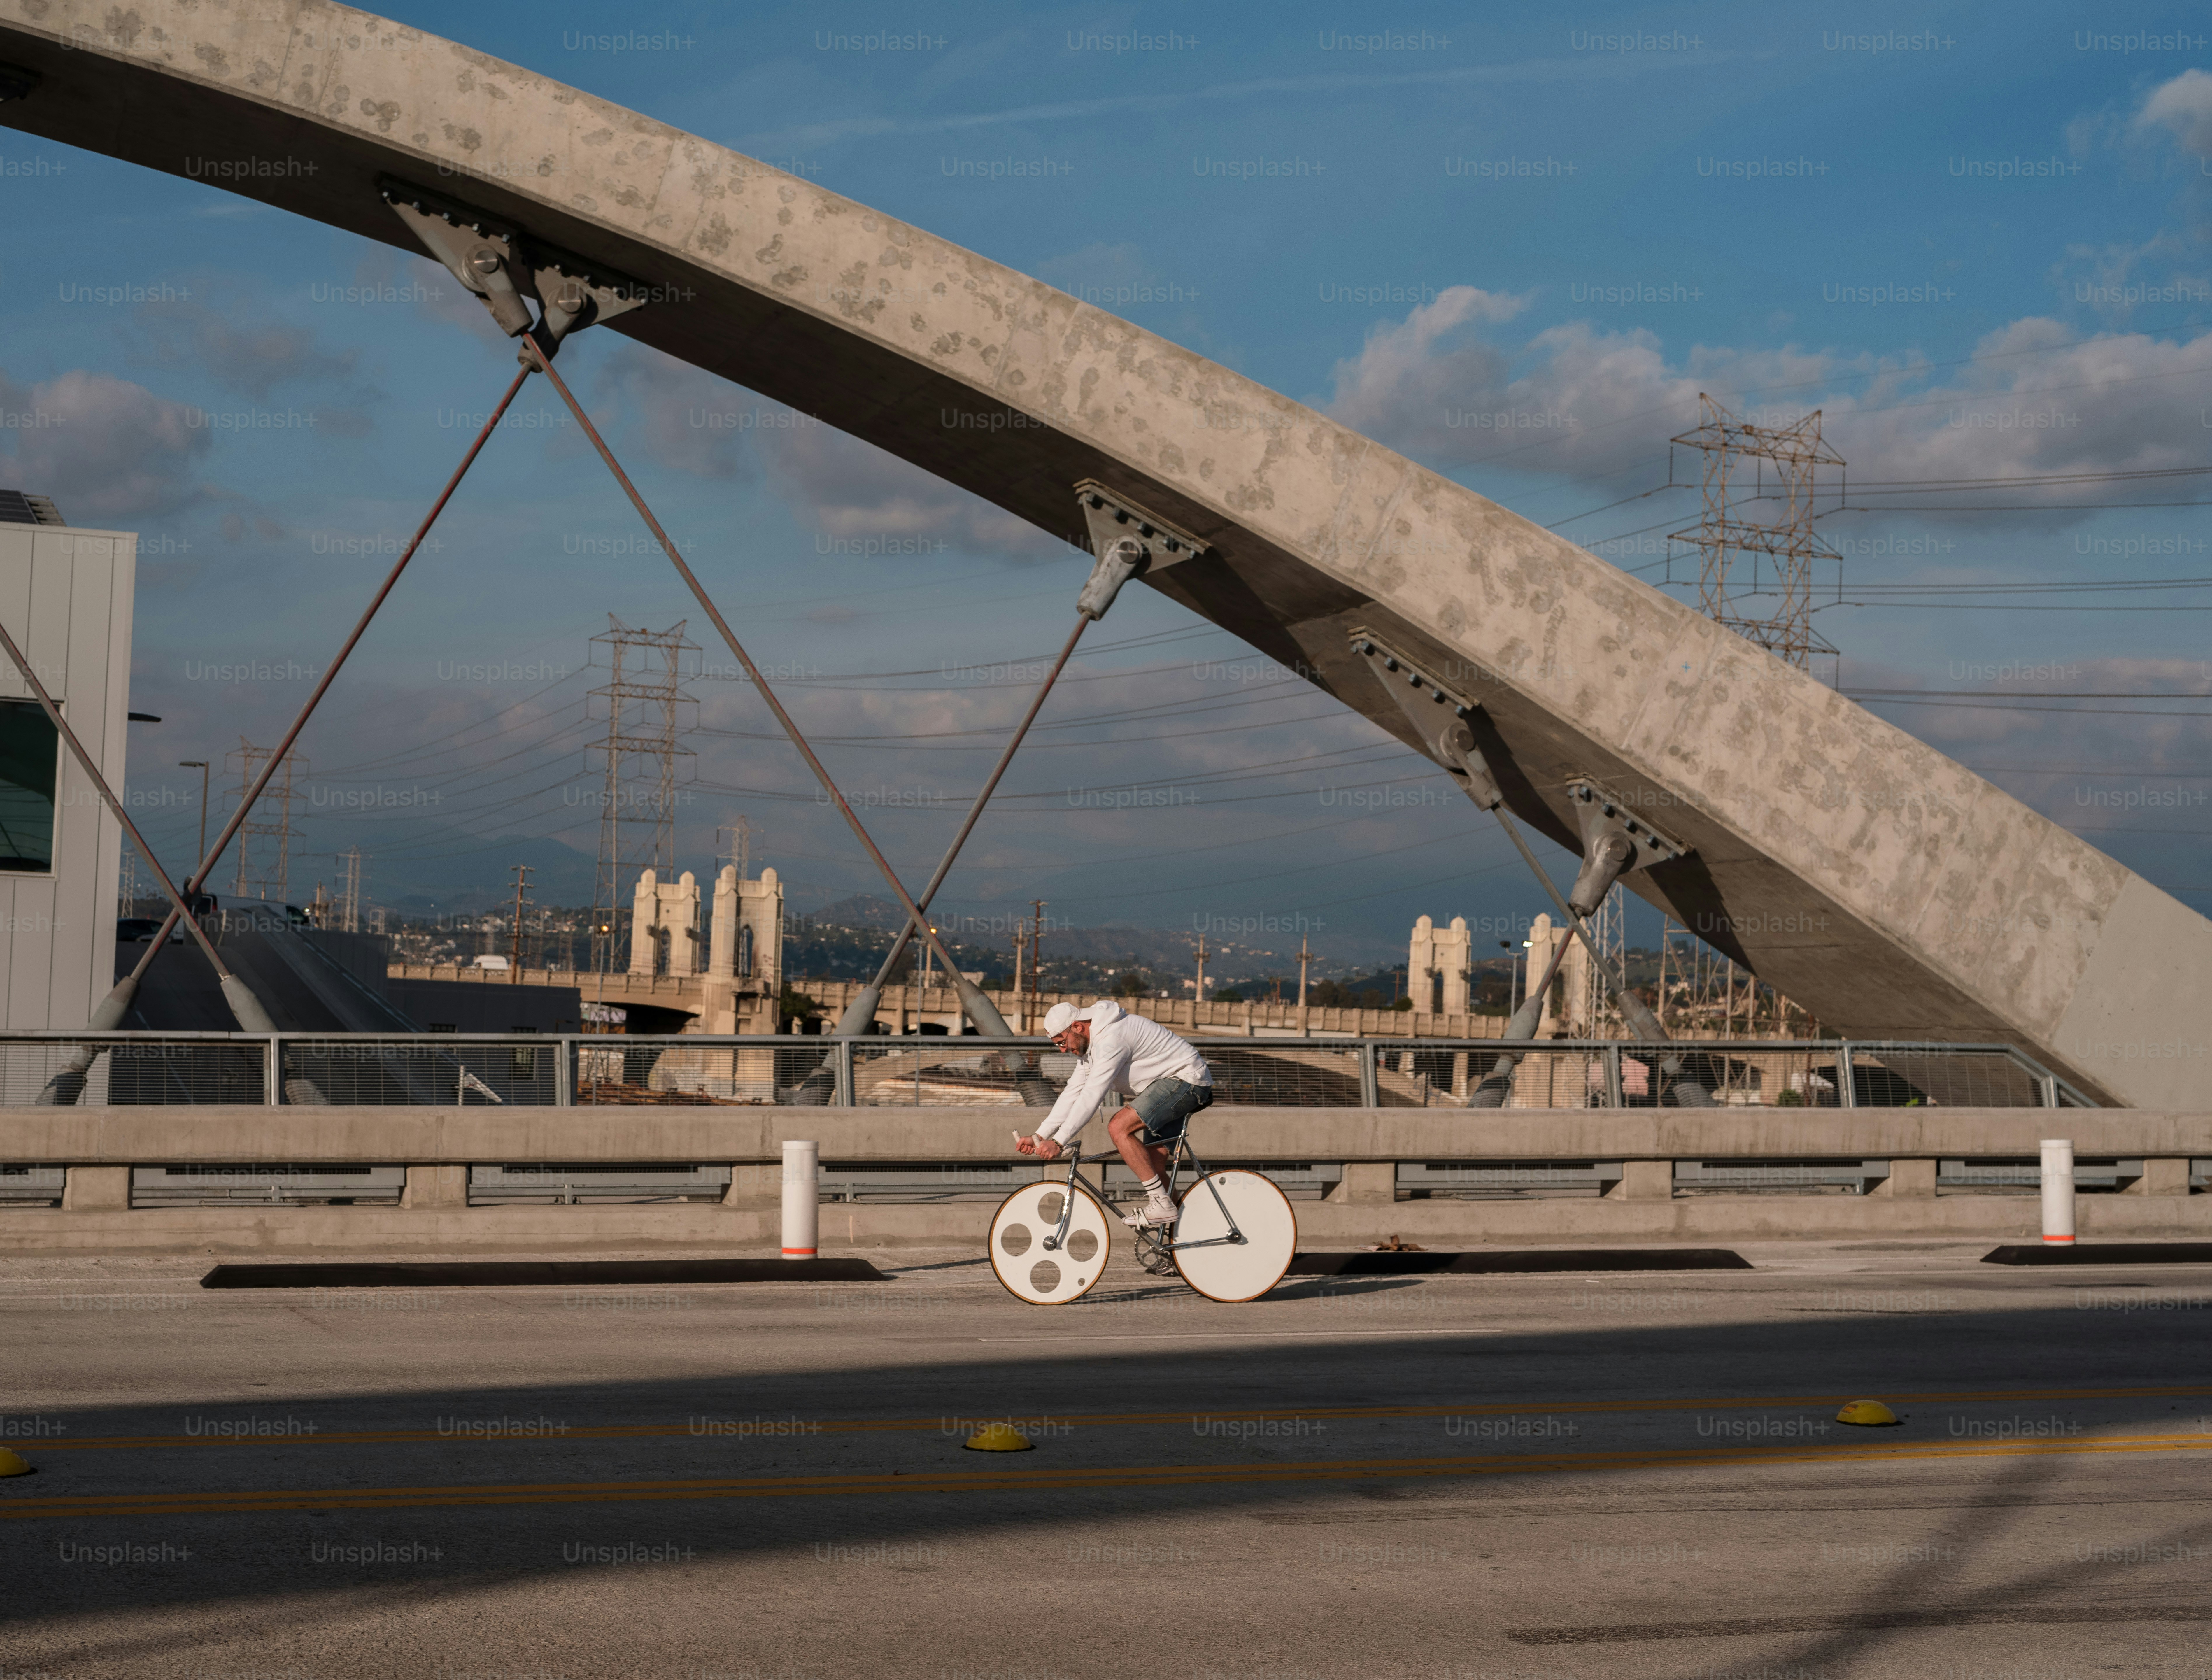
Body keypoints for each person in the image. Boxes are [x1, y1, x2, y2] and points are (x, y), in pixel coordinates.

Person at [1014, 999, 1214, 1227]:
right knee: (1154, 1167)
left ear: (1078, 1027)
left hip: (1187, 1080)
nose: (1062, 1050)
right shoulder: (1091, 1046)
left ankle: (1161, 1204)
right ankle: (1181, 1236)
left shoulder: (1111, 1040)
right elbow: (1073, 1092)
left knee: (1119, 1127)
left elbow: (1092, 1095)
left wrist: (1059, 1143)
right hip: (1167, 1084)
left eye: (1061, 1042)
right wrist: (1040, 1136)